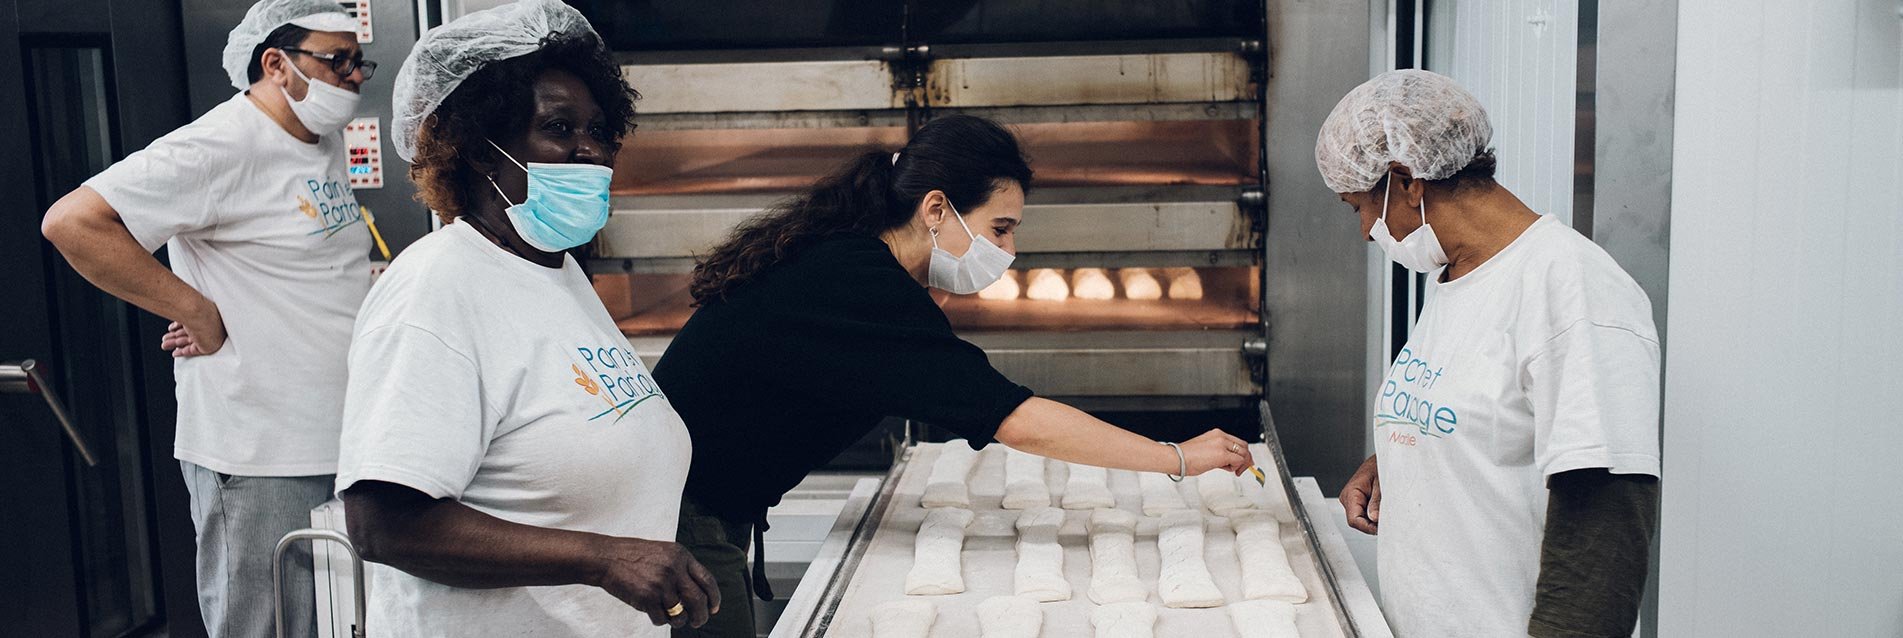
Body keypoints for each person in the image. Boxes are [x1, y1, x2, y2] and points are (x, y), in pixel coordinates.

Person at [654, 114, 1259, 637]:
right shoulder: (857, 282)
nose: (1010, 250)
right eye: (1001, 228)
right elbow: (1011, 417)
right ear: (937, 209)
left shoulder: (850, 260)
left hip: (694, 502)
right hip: (674, 517)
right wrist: (1174, 457)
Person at [331, 1, 718, 635]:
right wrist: (604, 559)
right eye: (560, 128)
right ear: (479, 150)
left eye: (598, 130)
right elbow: (384, 523)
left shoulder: (556, 273)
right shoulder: (437, 286)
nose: (590, 149)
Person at [38, 1, 372, 634]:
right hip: (259, 453)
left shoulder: (317, 141)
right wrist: (194, 309)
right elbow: (73, 222)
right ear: (276, 63)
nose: (354, 77)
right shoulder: (221, 143)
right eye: (338, 62)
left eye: (358, 63)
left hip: (336, 435)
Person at [1315, 69, 1661, 638]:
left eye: (1359, 206)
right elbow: (1487, 417)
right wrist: (1403, 454)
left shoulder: (1571, 287)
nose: (1364, 231)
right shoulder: (1458, 276)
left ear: (1406, 181)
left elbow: (1606, 515)